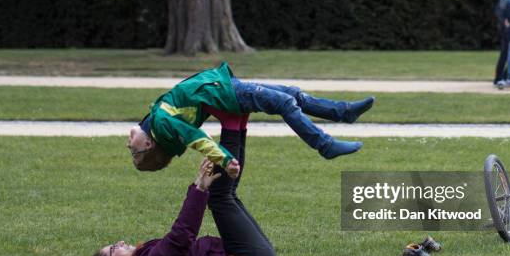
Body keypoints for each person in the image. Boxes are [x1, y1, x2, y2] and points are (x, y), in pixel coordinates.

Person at [85, 117, 276, 256]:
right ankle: (232, 122)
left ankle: (237, 121)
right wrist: (199, 189)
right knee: (220, 197)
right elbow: (180, 237)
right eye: (113, 248)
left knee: (226, 194)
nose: (119, 242)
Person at [128, 62, 374, 174]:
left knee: (292, 94)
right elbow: (197, 138)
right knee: (285, 102)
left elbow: (183, 113)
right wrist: (224, 159)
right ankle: (325, 145)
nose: (129, 144)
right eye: (133, 151)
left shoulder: (157, 119)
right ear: (148, 145)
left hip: (225, 86)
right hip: (228, 94)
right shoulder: (162, 124)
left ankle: (343, 112)